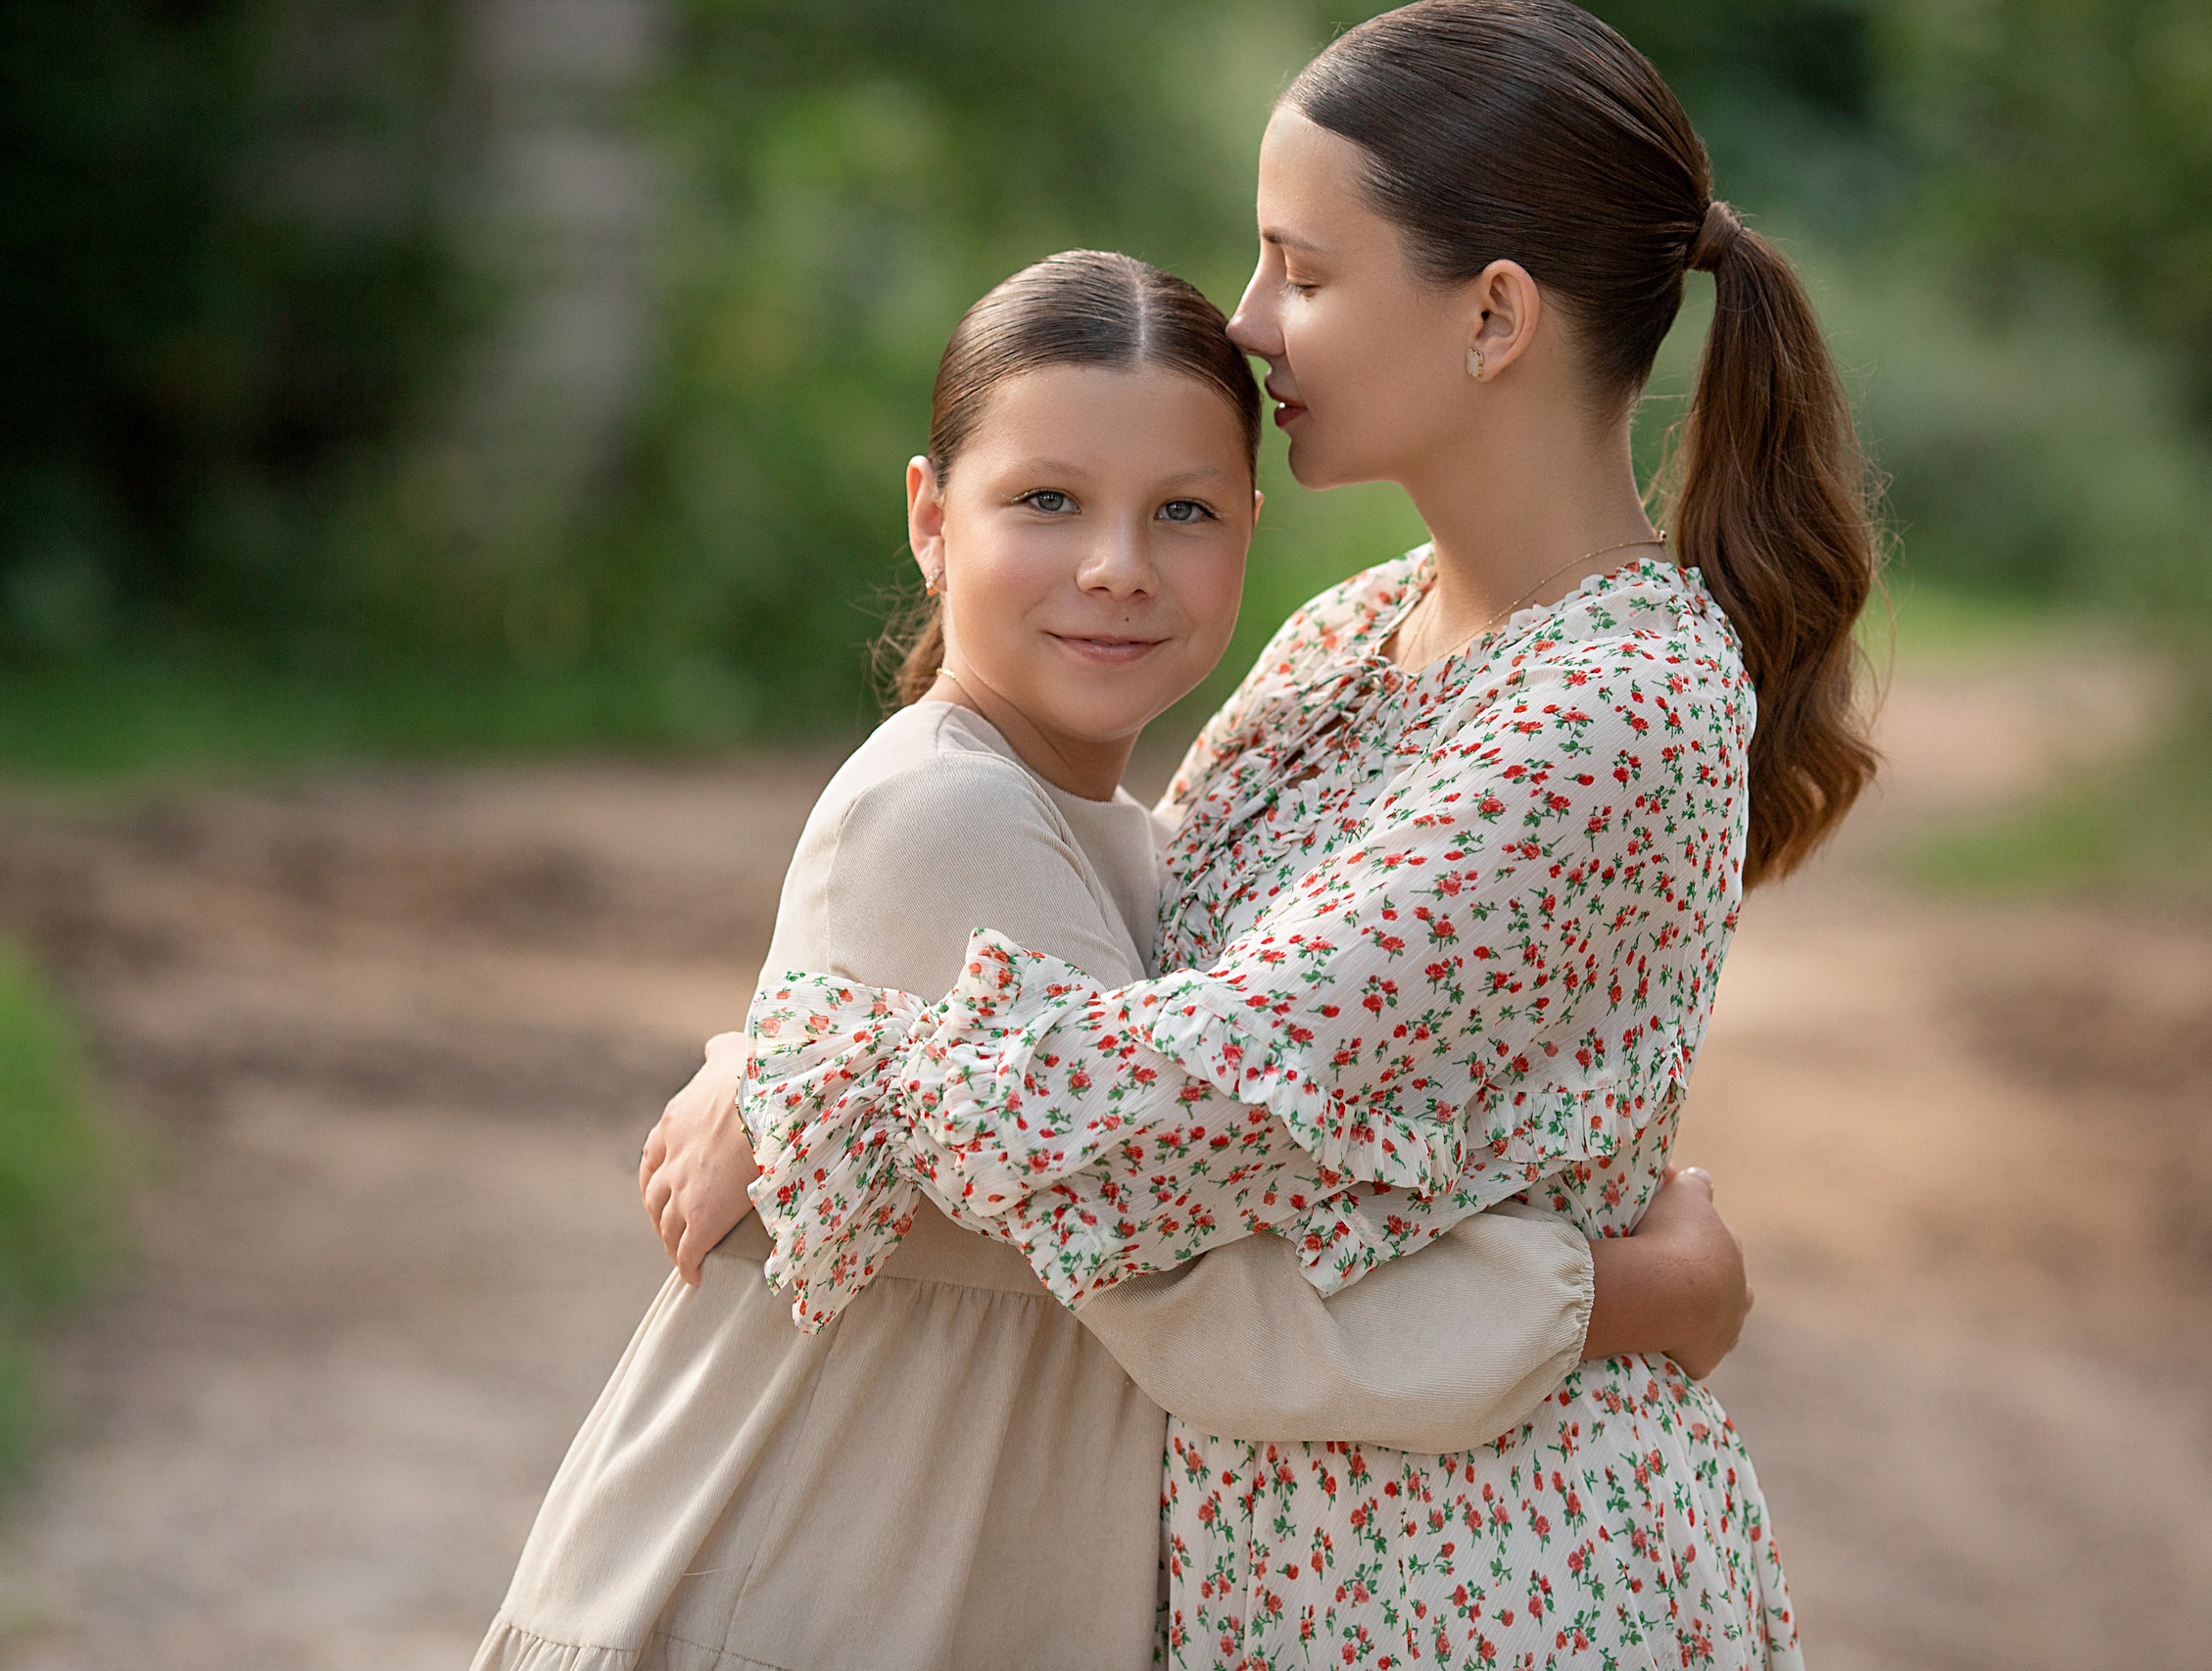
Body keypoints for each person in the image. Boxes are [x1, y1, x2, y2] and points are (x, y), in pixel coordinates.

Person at [653, 2, 1878, 1665]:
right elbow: (1124, 989)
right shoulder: (1343, 643)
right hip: (1268, 1575)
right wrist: (806, 1053)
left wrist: (810, 1071)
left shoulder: (1617, 703)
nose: (1247, 321)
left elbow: (1192, 1106)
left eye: (1303, 269)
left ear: (1494, 315)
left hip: (1490, 1586)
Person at [477, 250, 1754, 1671]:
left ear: (1249, 534)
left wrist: (787, 1071)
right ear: (928, 515)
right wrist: (1626, 1295)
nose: (1116, 566)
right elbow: (1200, 1275)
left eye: (1184, 513)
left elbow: (1191, 1135)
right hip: (797, 1585)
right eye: (1046, 500)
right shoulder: (945, 812)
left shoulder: (1148, 842)